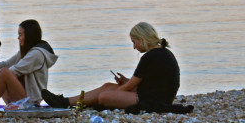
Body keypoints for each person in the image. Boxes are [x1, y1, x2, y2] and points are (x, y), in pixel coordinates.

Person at [41, 22, 180, 112]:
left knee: (104, 96)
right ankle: (65, 101)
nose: (134, 47)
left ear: (141, 39)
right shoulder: (162, 52)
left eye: (134, 42)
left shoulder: (150, 56)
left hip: (154, 100)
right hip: (155, 94)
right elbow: (151, 83)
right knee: (107, 86)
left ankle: (70, 103)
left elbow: (129, 88)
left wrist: (118, 92)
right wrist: (125, 82)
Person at [0, 19, 58, 107]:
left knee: (3, 73)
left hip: (30, 102)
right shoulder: (26, 51)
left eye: (20, 34)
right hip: (21, 98)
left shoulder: (36, 54)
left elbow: (12, 72)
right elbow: (6, 64)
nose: (18, 38)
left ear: (29, 36)